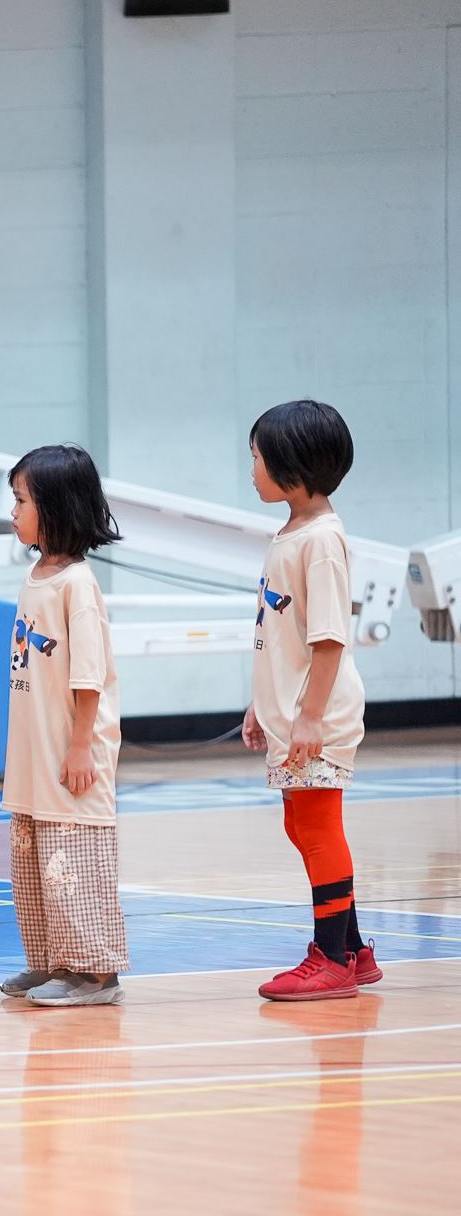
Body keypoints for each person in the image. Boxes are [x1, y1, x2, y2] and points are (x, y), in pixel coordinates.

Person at [242, 400, 382, 1001]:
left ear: (290, 465)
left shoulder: (322, 541)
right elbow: (281, 635)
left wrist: (308, 717)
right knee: (301, 824)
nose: (251, 468)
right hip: (294, 711)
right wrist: (260, 707)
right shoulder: (293, 533)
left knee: (320, 828)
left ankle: (330, 959)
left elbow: (328, 640)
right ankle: (353, 950)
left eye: (256, 457)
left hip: (319, 714)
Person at [0, 445, 129, 1006]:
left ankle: (95, 972)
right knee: (34, 866)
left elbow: (88, 675)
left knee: (73, 864)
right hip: (34, 754)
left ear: (54, 507)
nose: (13, 510)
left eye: (21, 500)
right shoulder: (36, 575)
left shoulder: (78, 583)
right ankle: (53, 960)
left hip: (69, 752)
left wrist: (81, 748)